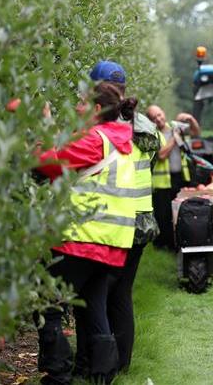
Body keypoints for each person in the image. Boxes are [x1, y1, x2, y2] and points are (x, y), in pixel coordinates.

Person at [34, 82, 138, 383]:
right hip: (110, 245)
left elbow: (49, 164)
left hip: (81, 239)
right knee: (93, 308)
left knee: (45, 302)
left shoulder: (97, 139)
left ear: (95, 109)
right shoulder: (121, 141)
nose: (76, 107)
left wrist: (42, 125)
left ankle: (58, 376)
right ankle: (103, 377)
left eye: (80, 102)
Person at [73, 61, 160, 375]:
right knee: (121, 293)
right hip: (141, 216)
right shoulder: (141, 123)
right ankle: (120, 362)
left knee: (97, 296)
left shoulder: (106, 121)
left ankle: (97, 364)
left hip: (115, 217)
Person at [146, 105, 200, 251]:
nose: (158, 119)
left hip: (178, 178)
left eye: (159, 115)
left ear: (164, 113)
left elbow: (196, 132)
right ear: (150, 121)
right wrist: (175, 138)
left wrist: (190, 119)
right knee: (163, 216)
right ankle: (165, 246)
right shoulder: (152, 135)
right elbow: (162, 155)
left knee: (181, 212)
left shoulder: (176, 127)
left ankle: (180, 242)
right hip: (161, 182)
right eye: (153, 118)